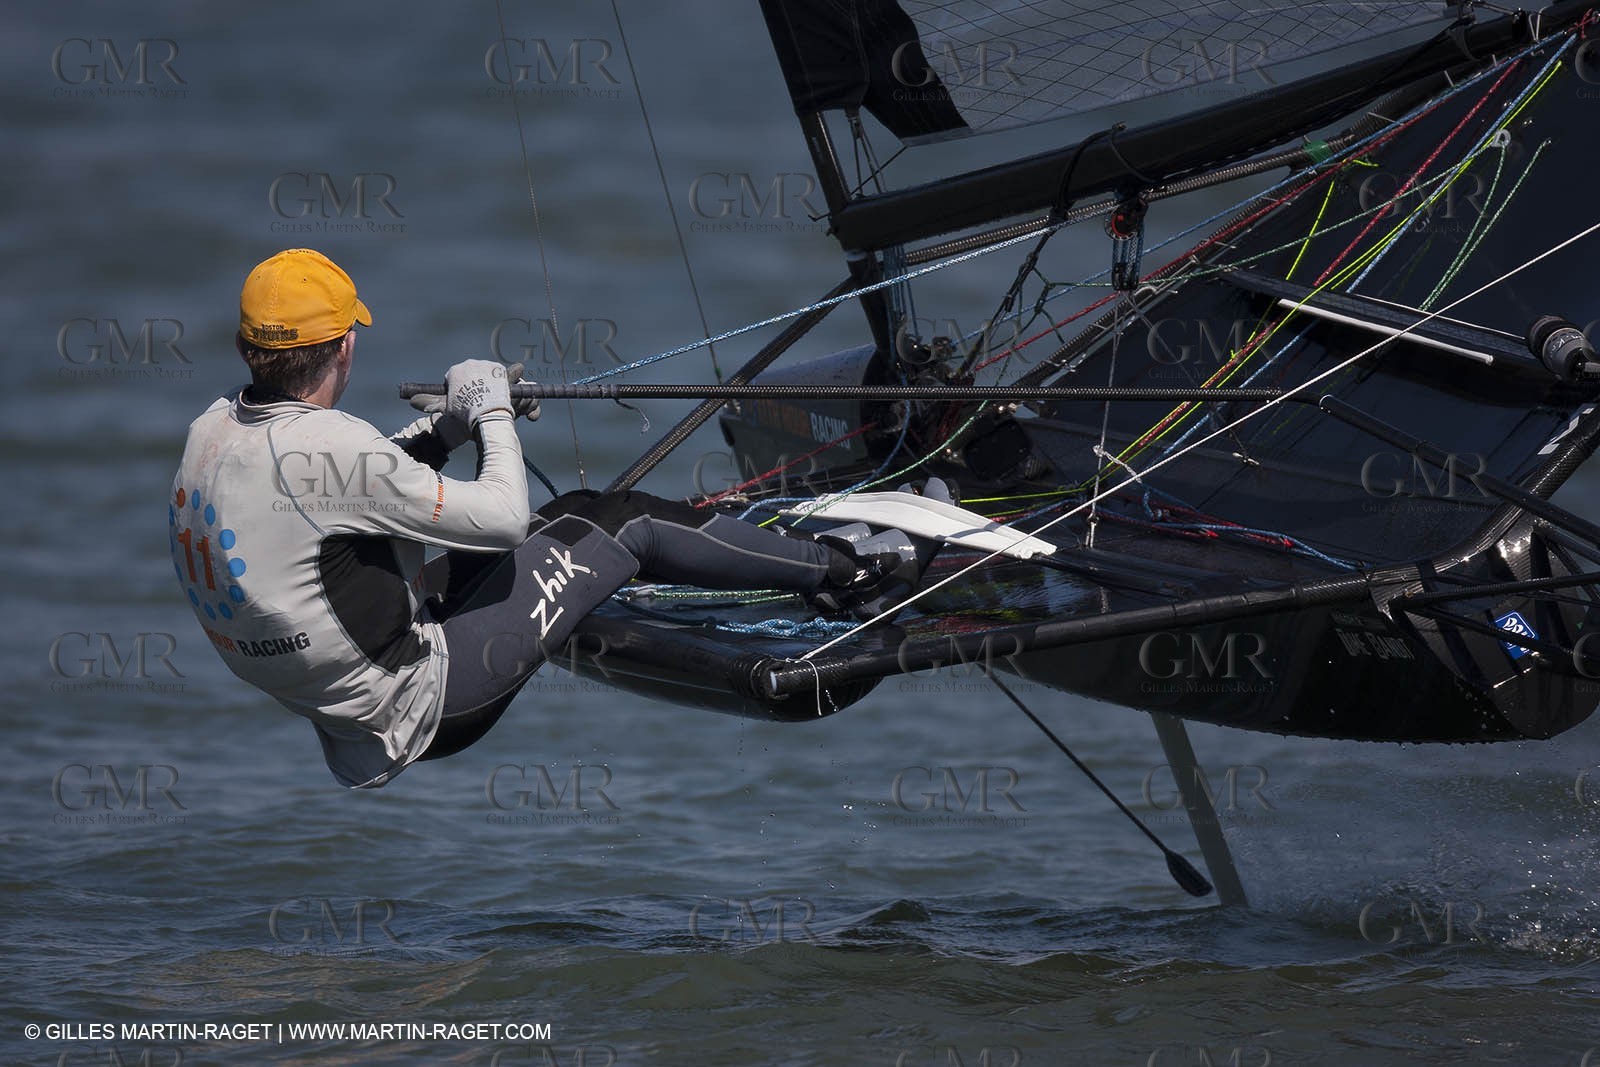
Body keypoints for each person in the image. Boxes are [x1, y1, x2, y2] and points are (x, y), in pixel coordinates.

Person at [169, 249, 920, 788]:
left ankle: (712, 569)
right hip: (424, 702)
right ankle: (847, 571)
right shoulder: (332, 446)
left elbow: (346, 496)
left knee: (567, 517)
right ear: (346, 347)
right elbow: (497, 518)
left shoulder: (211, 433)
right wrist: (492, 411)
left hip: (346, 710)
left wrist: (449, 429)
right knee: (626, 523)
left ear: (245, 349)